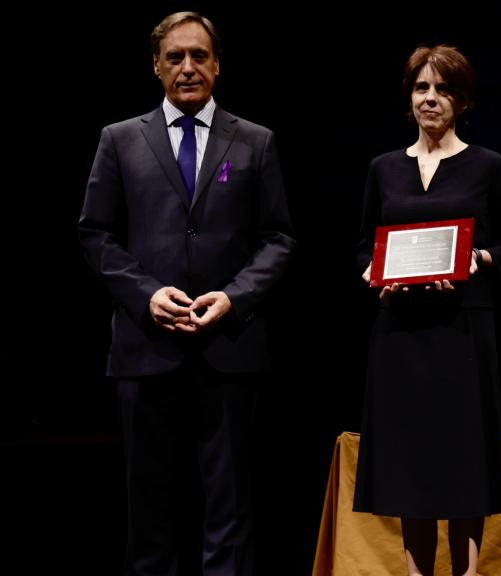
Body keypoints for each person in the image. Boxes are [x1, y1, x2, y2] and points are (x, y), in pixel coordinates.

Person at [79, 12, 295, 576]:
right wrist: (146, 294)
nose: (188, 67)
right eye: (175, 57)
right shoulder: (119, 140)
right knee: (148, 509)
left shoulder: (256, 141)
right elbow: (95, 235)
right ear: (156, 66)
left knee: (230, 508)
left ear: (218, 64)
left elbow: (278, 238)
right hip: (146, 347)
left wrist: (234, 297)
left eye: (199, 55)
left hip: (228, 347)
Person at [353, 45, 501, 576]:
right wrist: (370, 271)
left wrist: (481, 257)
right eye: (422, 88)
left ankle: (469, 571)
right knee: (410, 460)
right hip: (400, 333)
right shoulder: (383, 168)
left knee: (462, 459)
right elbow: (364, 244)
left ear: (463, 100)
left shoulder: (487, 165)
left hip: (462, 331)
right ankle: (414, 571)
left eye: (443, 89)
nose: (431, 99)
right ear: (409, 99)